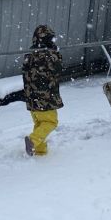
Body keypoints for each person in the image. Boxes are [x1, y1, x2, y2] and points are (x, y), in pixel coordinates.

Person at [22, 25, 63, 156]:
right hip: (46, 98)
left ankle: (40, 150)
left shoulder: (30, 55)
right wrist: (54, 52)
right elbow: (57, 69)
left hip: (32, 98)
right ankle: (33, 141)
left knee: (40, 124)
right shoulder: (50, 55)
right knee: (51, 122)